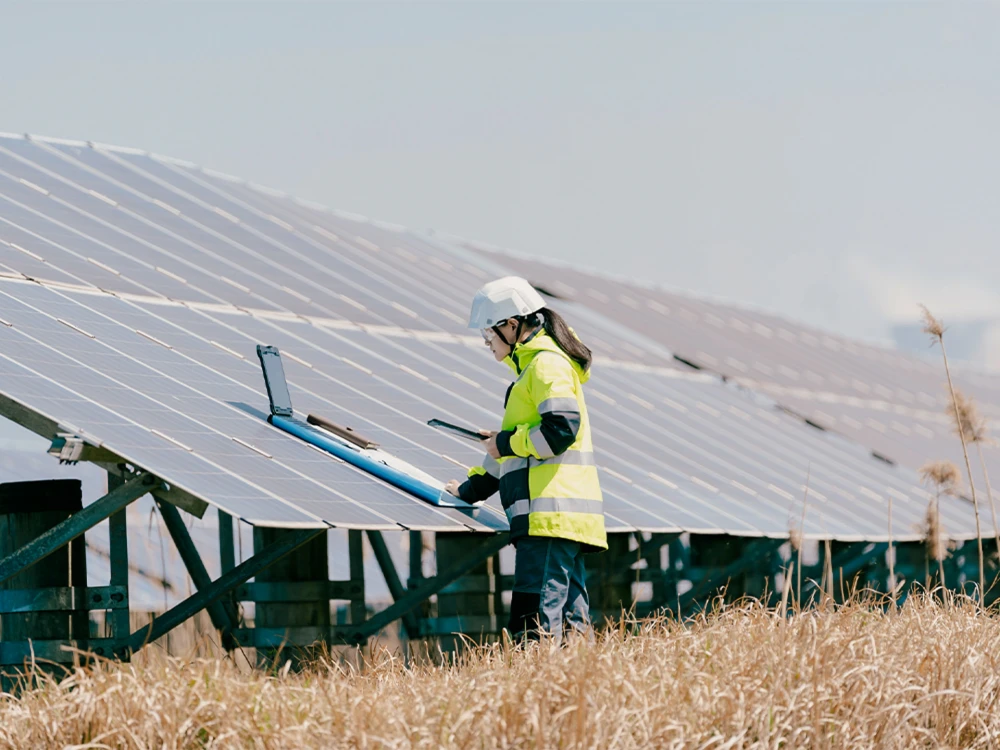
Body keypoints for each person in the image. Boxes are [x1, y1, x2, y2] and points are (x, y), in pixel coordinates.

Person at [445, 276, 607, 644]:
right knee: (570, 622)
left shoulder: (545, 367)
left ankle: (539, 694)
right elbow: (513, 453)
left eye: (489, 334)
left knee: (535, 623)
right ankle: (581, 693)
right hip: (560, 517)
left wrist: (508, 442)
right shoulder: (531, 373)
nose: (487, 344)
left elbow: (561, 429)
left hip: (549, 516)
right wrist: (471, 489)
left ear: (512, 325)